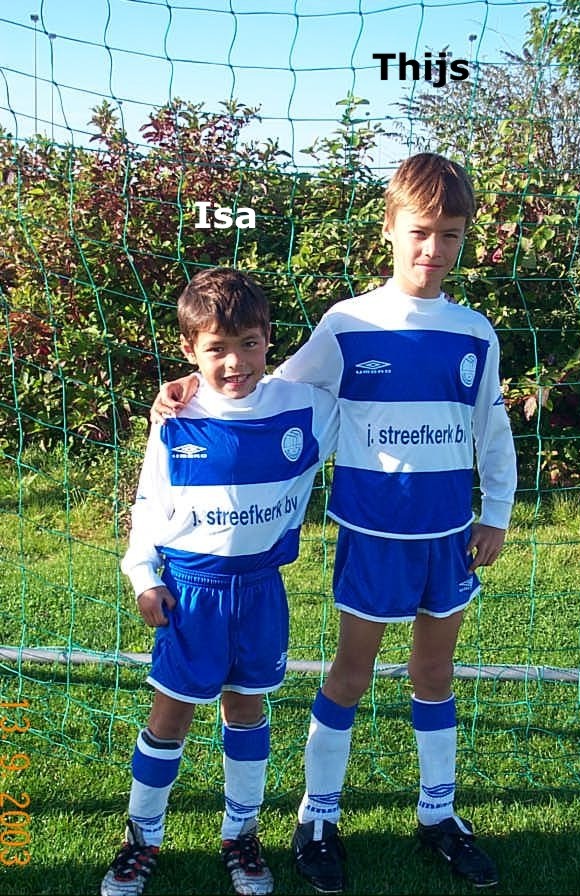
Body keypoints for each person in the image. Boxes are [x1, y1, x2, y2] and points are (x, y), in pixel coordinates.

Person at [150, 153, 517, 893]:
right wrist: (196, 387)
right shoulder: (348, 323)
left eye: (450, 234)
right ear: (389, 229)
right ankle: (317, 818)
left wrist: (497, 512)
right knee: (351, 675)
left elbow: (492, 425)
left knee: (435, 673)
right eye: (420, 231)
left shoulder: (475, 331)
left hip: (449, 535)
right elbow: (271, 384)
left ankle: (438, 813)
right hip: (373, 535)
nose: (433, 248)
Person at [101, 267, 337, 896]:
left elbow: (365, 389)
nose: (236, 362)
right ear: (189, 349)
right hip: (191, 591)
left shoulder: (304, 408)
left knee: (247, 710)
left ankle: (241, 834)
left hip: (260, 589)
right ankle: (141, 838)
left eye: (249, 344)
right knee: (170, 714)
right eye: (217, 349)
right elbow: (149, 505)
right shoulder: (176, 419)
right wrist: (142, 575)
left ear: (268, 340)